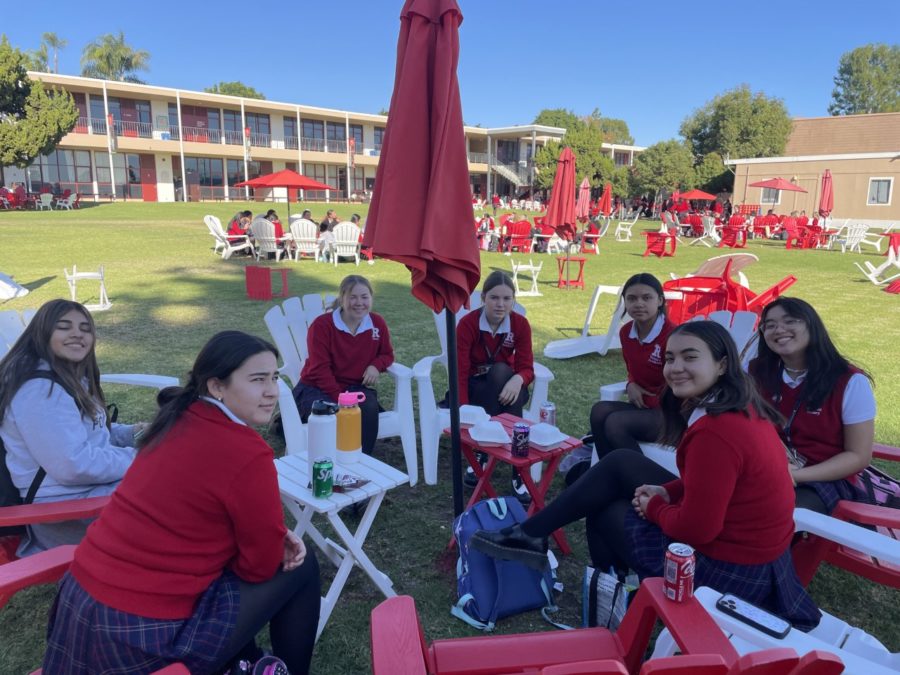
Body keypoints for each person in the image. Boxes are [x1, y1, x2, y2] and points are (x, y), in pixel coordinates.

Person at [471, 321, 821, 630]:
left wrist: (655, 508)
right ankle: (533, 535)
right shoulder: (739, 406)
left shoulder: (716, 432)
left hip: (729, 572)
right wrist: (669, 491)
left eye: (690, 357)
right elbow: (723, 482)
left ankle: (610, 598)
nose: (676, 368)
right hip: (758, 557)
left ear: (722, 364)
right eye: (670, 358)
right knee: (620, 462)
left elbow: (698, 529)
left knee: (605, 509)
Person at [41, 331, 320, 674]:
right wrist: (272, 541)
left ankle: (245, 660)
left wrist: (264, 536)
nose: (272, 391)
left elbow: (188, 515)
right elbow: (259, 567)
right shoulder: (246, 452)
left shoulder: (176, 419)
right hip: (138, 632)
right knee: (302, 567)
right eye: (257, 379)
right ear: (217, 386)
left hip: (79, 604)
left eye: (275, 377)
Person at [0, 300, 147, 557]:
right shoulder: (39, 391)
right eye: (64, 327)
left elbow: (83, 436)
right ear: (42, 334)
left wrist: (135, 434)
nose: (77, 334)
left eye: (85, 328)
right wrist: (143, 458)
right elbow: (72, 464)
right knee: (177, 492)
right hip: (64, 514)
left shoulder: (67, 377)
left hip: (88, 495)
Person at [749, 297, 875, 515]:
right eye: (770, 325)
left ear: (811, 325)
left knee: (771, 513)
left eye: (790, 321)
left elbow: (858, 455)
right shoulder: (755, 371)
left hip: (824, 478)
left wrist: (794, 475)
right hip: (765, 468)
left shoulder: (850, 381)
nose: (779, 329)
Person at [567, 274, 674, 485]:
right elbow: (632, 370)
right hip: (646, 407)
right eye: (631, 298)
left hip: (672, 412)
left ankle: (643, 483)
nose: (639, 304)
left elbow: (679, 386)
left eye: (646, 297)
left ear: (660, 300)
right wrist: (631, 384)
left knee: (616, 423)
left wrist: (649, 399)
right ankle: (608, 477)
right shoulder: (627, 332)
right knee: (599, 410)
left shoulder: (673, 335)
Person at [455, 271, 535, 499]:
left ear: (513, 300)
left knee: (502, 372)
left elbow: (527, 367)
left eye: (506, 299)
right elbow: (460, 370)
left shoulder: (519, 324)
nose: (500, 304)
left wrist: (518, 379)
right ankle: (519, 467)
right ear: (483, 298)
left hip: (508, 387)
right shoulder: (468, 324)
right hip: (476, 388)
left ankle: (483, 453)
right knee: (500, 376)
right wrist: (462, 407)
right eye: (494, 298)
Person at [292, 275, 393, 456]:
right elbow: (319, 369)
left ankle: (361, 459)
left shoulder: (377, 323)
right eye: (352, 297)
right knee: (331, 414)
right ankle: (329, 460)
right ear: (342, 298)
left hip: (353, 387)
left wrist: (376, 365)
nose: (359, 303)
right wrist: (341, 399)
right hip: (317, 386)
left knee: (368, 407)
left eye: (364, 297)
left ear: (371, 298)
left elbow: (387, 354)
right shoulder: (322, 325)